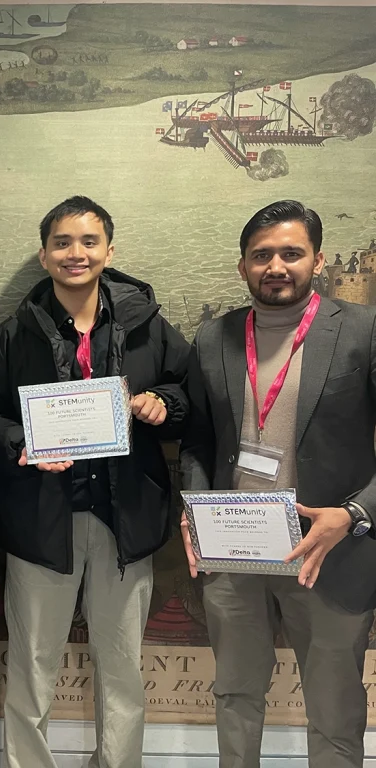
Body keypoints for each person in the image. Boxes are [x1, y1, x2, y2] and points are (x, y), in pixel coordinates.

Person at [0, 196, 190, 768]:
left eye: (89, 241)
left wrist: (161, 403)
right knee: (32, 667)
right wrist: (22, 444)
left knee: (122, 669)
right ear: (44, 254)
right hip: (42, 520)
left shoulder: (148, 326)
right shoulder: (13, 335)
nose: (76, 253)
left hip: (125, 520)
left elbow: (187, 393)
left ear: (109, 251)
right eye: (63, 243)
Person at [180, 200, 376, 768]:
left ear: (317, 260)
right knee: (235, 697)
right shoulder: (213, 338)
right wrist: (192, 511)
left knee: (334, 713)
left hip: (328, 550)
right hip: (234, 552)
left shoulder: (364, 331)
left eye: (291, 253)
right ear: (242, 265)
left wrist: (354, 513)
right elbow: (197, 440)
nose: (276, 266)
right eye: (262, 255)